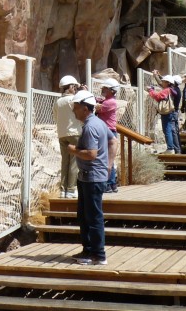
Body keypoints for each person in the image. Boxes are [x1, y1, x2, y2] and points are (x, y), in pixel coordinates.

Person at [64, 90, 111, 265]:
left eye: (76, 107)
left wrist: (73, 150)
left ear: (85, 108)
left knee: (93, 217)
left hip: (92, 177)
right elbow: (112, 141)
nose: (74, 111)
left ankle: (98, 255)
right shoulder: (98, 123)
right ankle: (89, 251)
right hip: (89, 177)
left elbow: (91, 154)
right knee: (85, 216)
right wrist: (108, 164)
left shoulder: (91, 127)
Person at [53, 75, 81, 199]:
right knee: (74, 162)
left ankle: (63, 189)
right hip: (74, 133)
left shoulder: (57, 102)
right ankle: (71, 189)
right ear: (69, 87)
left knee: (65, 161)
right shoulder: (73, 100)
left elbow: (55, 117)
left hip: (62, 134)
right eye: (74, 86)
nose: (75, 89)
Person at [148, 74, 181, 154]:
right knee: (171, 130)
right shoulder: (173, 90)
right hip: (171, 112)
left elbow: (158, 96)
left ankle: (170, 148)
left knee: (167, 130)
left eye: (163, 82)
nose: (162, 83)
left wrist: (151, 91)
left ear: (167, 82)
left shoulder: (167, 90)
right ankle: (175, 149)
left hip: (166, 113)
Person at [97, 78, 120, 193]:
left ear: (111, 90)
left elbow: (97, 108)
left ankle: (106, 184)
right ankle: (112, 184)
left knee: (104, 159)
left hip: (107, 131)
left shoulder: (109, 102)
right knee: (109, 159)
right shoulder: (109, 101)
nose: (103, 89)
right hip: (109, 131)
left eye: (105, 88)